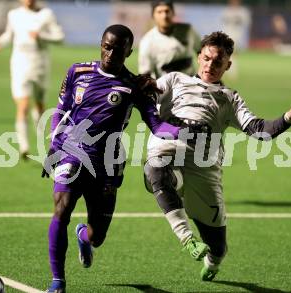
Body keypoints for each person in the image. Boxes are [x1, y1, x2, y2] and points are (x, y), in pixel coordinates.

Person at [41, 24, 206, 293]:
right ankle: (57, 281)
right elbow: (61, 111)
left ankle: (84, 235)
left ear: (129, 51)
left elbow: (157, 126)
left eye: (119, 49)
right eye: (107, 46)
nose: (111, 53)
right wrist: (54, 142)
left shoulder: (136, 86)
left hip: (108, 162)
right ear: (100, 44)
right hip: (72, 151)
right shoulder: (77, 71)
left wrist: (184, 131)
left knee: (98, 236)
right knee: (62, 207)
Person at [144, 31, 291, 282]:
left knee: (218, 247)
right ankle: (186, 238)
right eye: (207, 58)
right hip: (168, 149)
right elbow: (146, 98)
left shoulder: (229, 98)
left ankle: (212, 261)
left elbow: (260, 132)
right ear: (198, 57)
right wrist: (142, 88)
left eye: (218, 62)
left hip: (205, 166)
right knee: (156, 169)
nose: (210, 65)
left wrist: (288, 118)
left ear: (228, 65)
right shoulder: (174, 80)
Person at [0, 0, 65, 159]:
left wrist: (41, 36)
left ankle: (39, 135)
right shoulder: (14, 15)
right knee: (23, 104)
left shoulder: (46, 14)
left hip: (40, 63)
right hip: (20, 62)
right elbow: (9, 35)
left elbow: (60, 37)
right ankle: (23, 146)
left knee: (39, 105)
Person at [138, 0, 201, 79]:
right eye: (159, 12)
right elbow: (145, 73)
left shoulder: (188, 30)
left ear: (173, 13)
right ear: (153, 15)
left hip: (191, 84)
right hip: (167, 89)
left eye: (167, 11)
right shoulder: (147, 41)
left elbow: (202, 52)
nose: (164, 15)